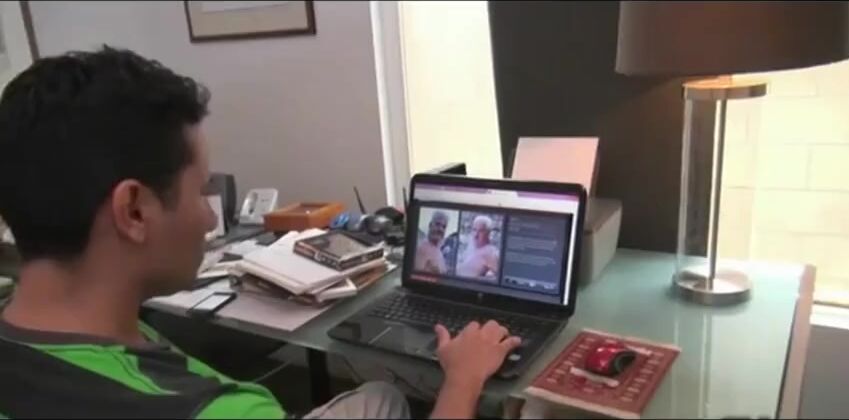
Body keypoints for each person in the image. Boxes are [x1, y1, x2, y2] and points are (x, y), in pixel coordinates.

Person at [0, 47, 521, 419]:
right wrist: (462, 380)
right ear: (134, 211)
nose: (211, 219)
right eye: (200, 191)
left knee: (381, 397)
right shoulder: (218, 410)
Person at [456, 215, 500, 280]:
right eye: (474, 230)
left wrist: (481, 280)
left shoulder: (490, 251)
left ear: (488, 233)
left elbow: (497, 277)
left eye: (481, 231)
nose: (476, 235)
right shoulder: (471, 246)